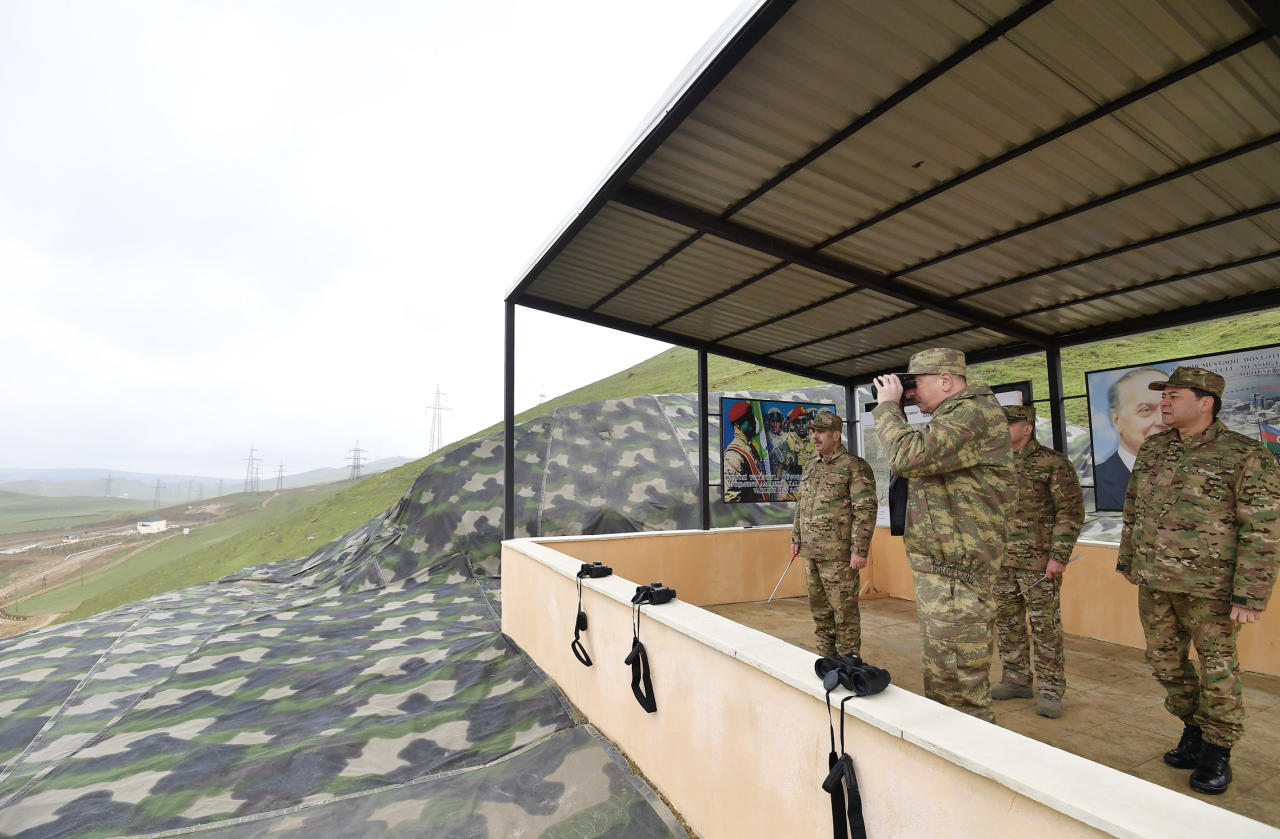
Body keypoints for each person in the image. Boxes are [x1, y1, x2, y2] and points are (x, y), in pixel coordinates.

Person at [1117, 366, 1280, 795]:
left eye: (1174, 395)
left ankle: (1218, 749)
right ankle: (1193, 727)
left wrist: (1251, 594)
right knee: (1164, 663)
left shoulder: (1244, 454)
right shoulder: (1155, 449)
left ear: (1205, 402)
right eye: (1162, 395)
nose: (1164, 403)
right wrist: (1130, 560)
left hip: (1211, 588)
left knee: (1217, 670)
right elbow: (1134, 507)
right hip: (1156, 582)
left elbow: (1263, 528)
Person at [872, 348, 1014, 720]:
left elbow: (907, 457)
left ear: (946, 381)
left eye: (914, 384)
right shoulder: (957, 416)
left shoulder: (973, 413)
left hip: (958, 579)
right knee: (944, 685)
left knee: (959, 695)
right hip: (946, 574)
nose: (911, 394)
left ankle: (974, 770)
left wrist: (888, 408)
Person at [991, 404, 1084, 719]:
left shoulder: (1051, 463)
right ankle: (1016, 678)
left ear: (1026, 427)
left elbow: (1070, 512)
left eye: (1007, 424)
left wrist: (1059, 556)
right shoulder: (995, 463)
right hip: (1001, 561)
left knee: (1045, 627)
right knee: (1007, 622)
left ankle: (1051, 689)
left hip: (1038, 563)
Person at [791, 410, 878, 658]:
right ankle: (827, 660)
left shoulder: (854, 466)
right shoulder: (811, 465)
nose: (815, 437)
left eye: (820, 432)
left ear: (836, 435)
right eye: (813, 432)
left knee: (844, 612)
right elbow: (801, 504)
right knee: (820, 612)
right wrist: (796, 537)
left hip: (839, 556)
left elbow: (865, 509)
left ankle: (849, 663)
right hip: (812, 553)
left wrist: (859, 551)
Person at [1095, 367, 1168, 510]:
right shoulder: (1097, 481)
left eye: (1167, 409)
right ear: (1116, 420)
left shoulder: (1195, 472)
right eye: (1146, 410)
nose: (1162, 421)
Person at [723, 400, 766, 503]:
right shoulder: (733, 456)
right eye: (750, 419)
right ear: (738, 424)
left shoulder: (750, 448)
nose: (754, 422)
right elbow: (731, 498)